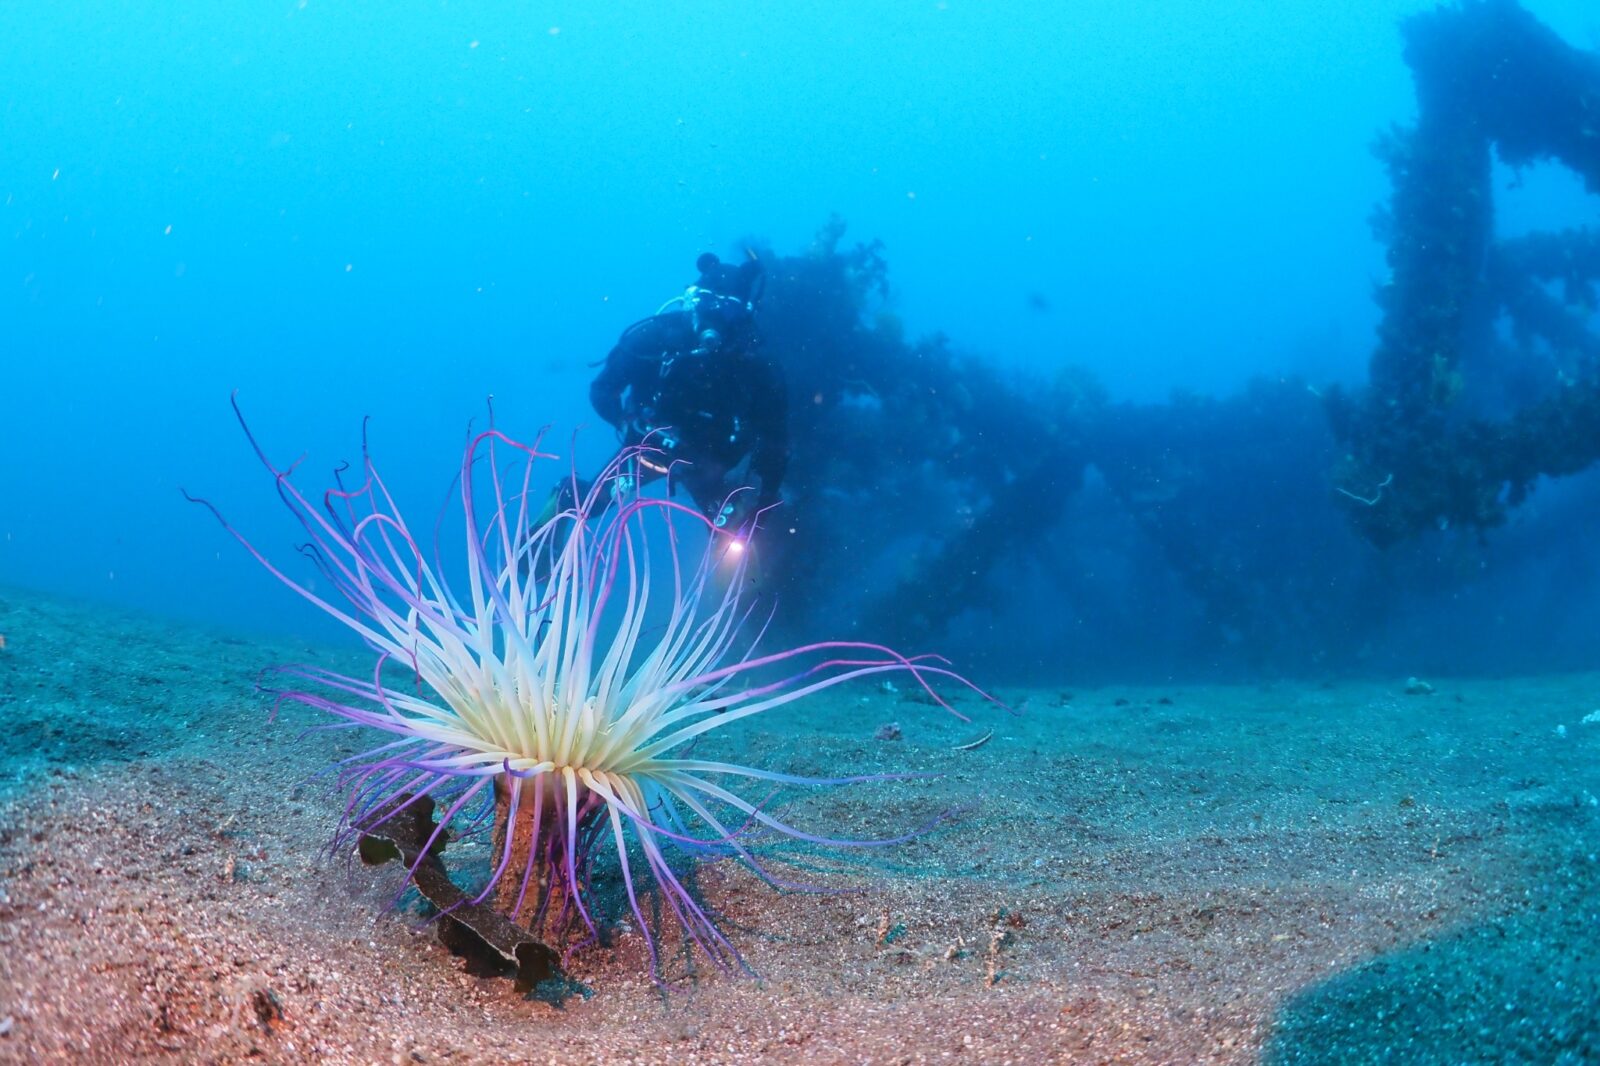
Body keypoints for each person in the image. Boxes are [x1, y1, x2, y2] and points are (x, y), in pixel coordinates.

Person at [545, 252, 790, 539]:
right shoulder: (656, 337)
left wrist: (767, 495)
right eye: (708, 305)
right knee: (589, 502)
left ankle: (740, 577)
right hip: (649, 450)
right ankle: (551, 523)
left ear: (743, 315)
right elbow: (603, 389)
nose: (715, 322)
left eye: (727, 312)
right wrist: (626, 422)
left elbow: (775, 439)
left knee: (738, 532)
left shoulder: (756, 366)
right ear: (693, 301)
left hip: (708, 463)